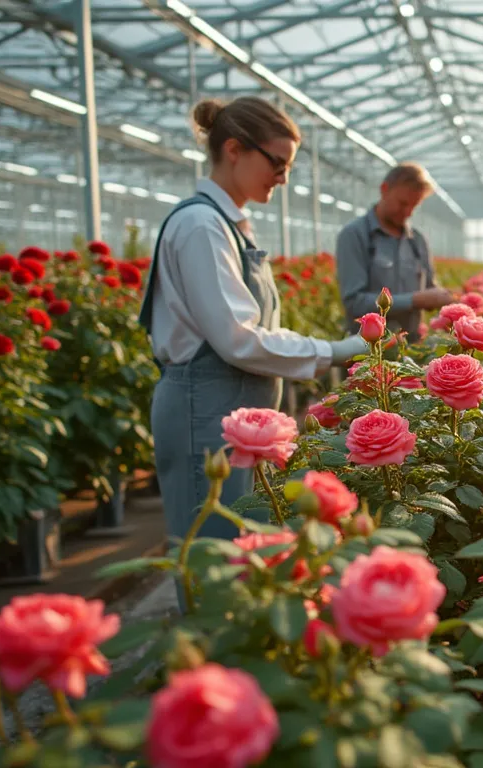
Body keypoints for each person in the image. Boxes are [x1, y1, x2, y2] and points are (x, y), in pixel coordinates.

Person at [138, 96, 368, 543]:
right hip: (203, 414)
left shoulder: (225, 223)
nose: (283, 179)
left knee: (240, 551)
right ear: (234, 150)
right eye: (277, 164)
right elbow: (239, 339)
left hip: (226, 413)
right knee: (214, 556)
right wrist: (336, 352)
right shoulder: (203, 226)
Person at [335, 163, 453, 343]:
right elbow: (354, 302)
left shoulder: (417, 240)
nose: (407, 212)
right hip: (368, 352)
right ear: (384, 189)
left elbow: (429, 286)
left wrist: (447, 299)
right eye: (403, 203)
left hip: (411, 349)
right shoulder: (355, 235)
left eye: (414, 205)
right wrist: (414, 300)